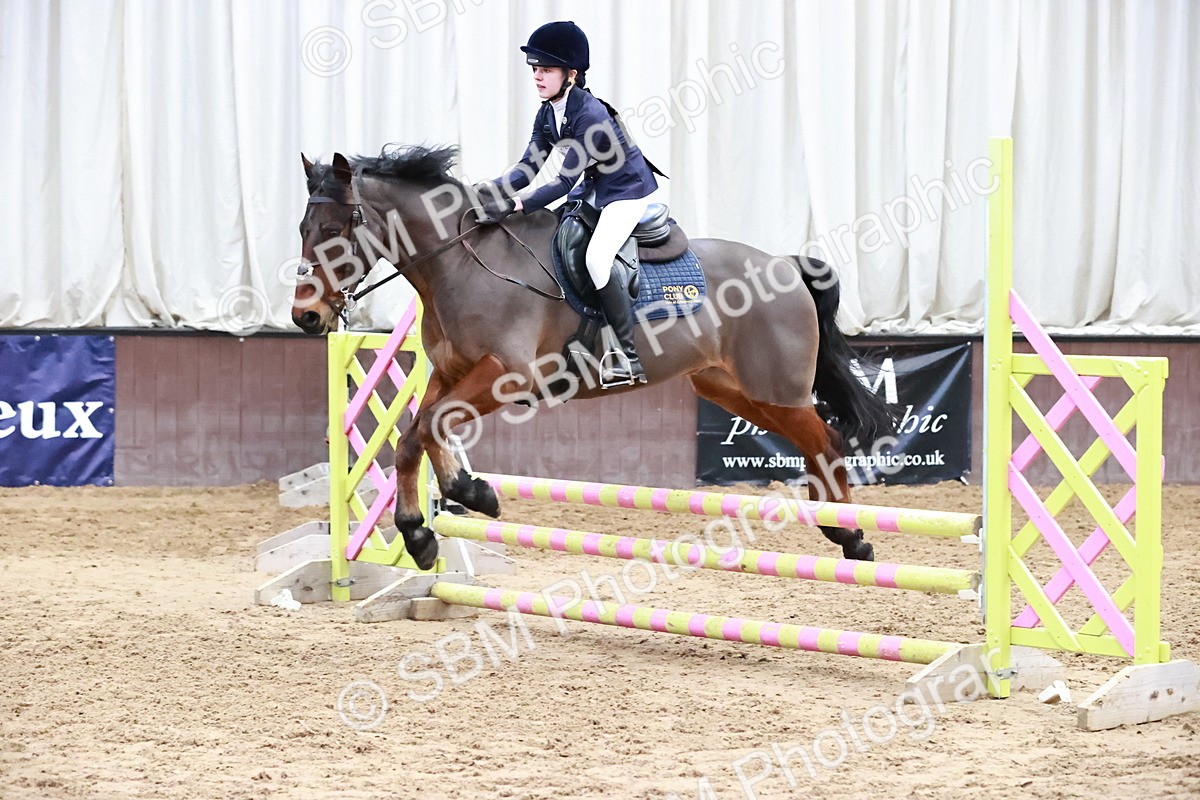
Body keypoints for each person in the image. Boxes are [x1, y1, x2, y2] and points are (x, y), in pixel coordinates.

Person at [475, 20, 662, 386]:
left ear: (571, 74)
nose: (537, 77)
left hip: (627, 192)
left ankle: (627, 355)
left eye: (546, 70)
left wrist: (515, 207)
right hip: (594, 189)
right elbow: (526, 170)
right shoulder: (548, 112)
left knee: (596, 258)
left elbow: (562, 182)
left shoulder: (589, 114)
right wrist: (485, 190)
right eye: (535, 69)